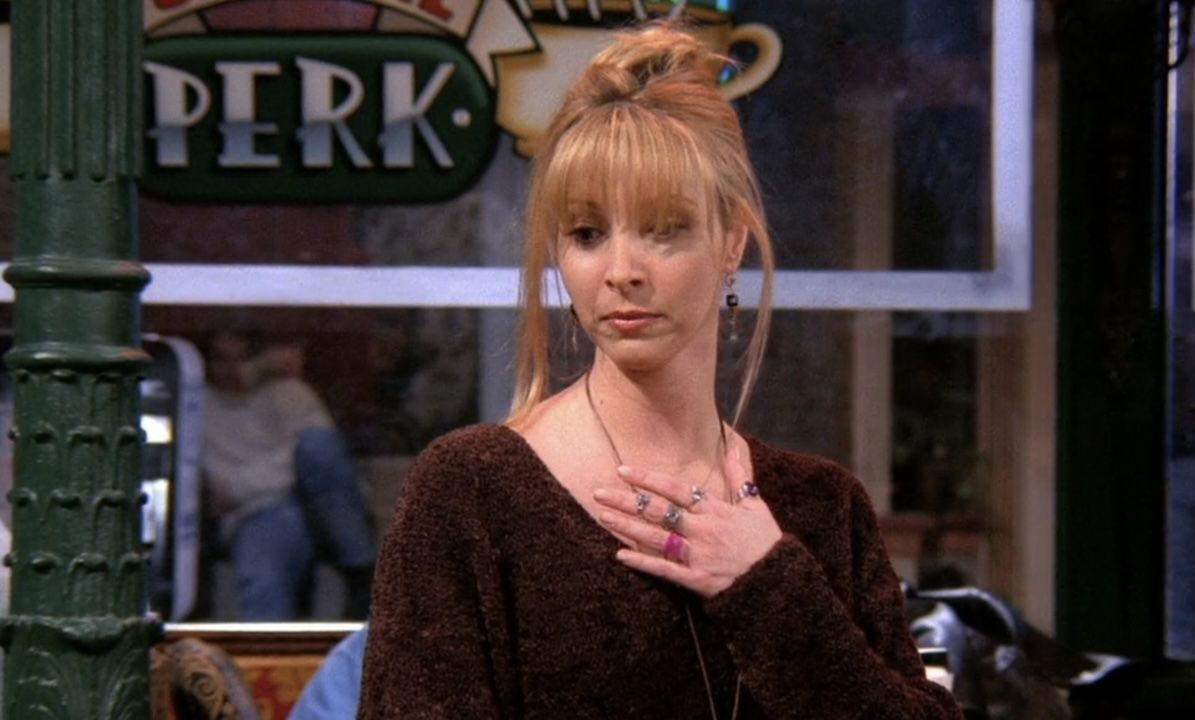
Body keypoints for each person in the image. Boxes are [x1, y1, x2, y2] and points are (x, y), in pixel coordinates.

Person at [358, 21, 962, 719]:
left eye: (663, 229)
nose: (621, 271)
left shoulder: (822, 508)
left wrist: (769, 585)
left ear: (731, 243)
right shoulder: (470, 493)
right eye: (587, 234)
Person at [202, 331, 376, 620]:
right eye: (222, 359)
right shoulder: (199, 404)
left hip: (319, 505)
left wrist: (239, 487)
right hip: (261, 512)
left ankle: (361, 572)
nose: (232, 369)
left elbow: (318, 459)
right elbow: (216, 489)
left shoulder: (290, 392)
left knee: (317, 444)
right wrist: (260, 483)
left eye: (242, 359)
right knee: (263, 576)